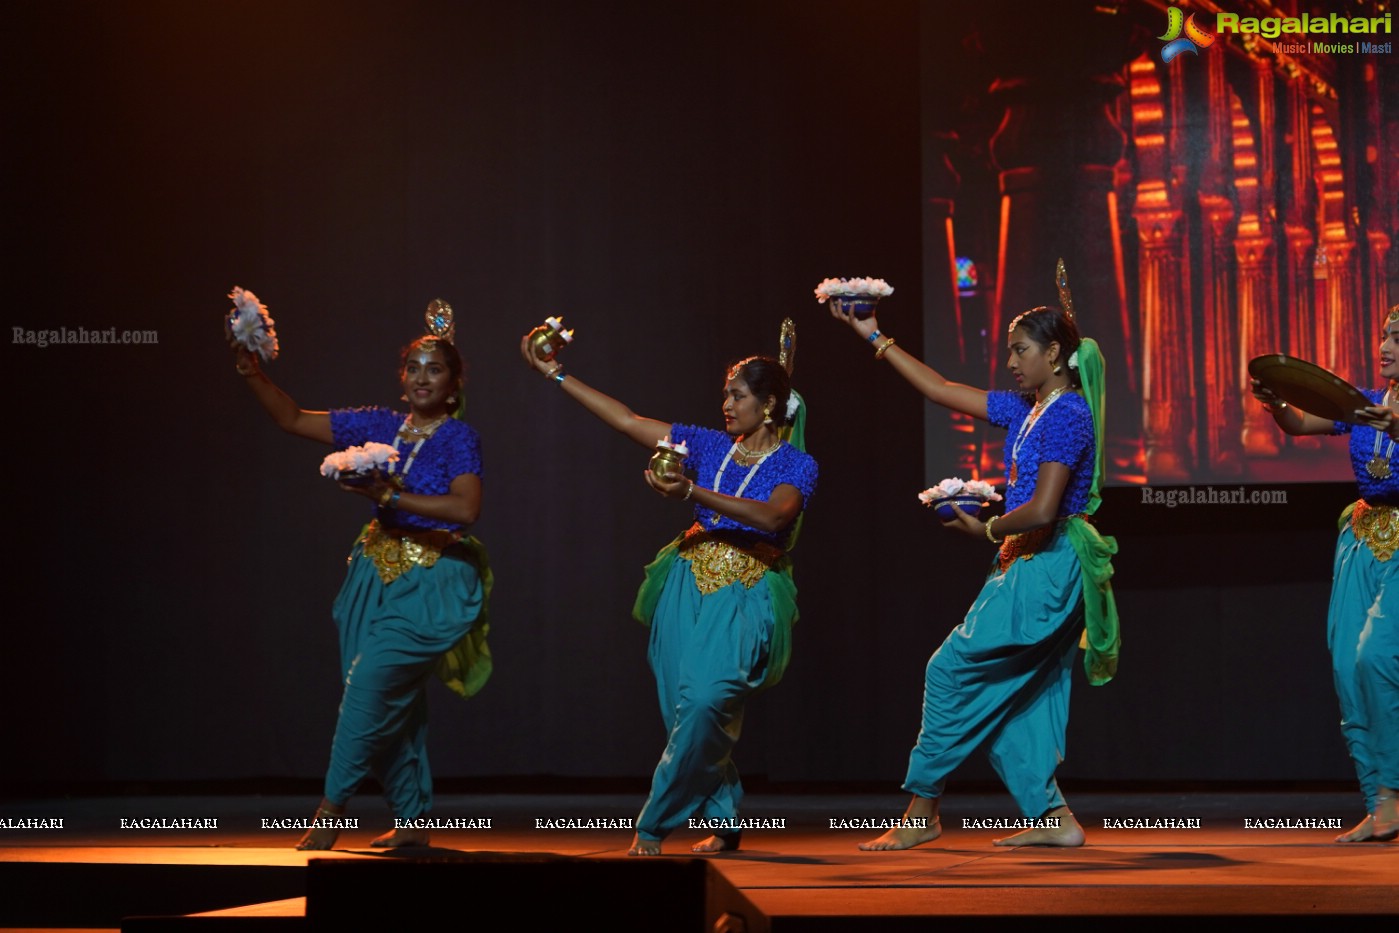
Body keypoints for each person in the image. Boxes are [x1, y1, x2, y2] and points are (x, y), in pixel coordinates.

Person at [828, 303, 1118, 849]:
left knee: (949, 671)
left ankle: (922, 811)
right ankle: (1053, 817)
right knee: (1016, 696)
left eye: (1020, 350)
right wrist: (874, 336)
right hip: (1025, 562)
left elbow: (1043, 508)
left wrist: (983, 530)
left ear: (1054, 353)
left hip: (1049, 565)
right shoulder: (1029, 410)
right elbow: (939, 389)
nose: (1010, 360)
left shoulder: (1068, 414)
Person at [521, 332, 816, 855]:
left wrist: (691, 491)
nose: (726, 404)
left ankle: (652, 825)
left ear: (768, 405)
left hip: (746, 591)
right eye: (725, 394)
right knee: (683, 711)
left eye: (738, 396)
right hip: (685, 582)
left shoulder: (796, 464)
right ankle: (723, 816)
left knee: (706, 701)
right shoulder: (706, 444)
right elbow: (629, 420)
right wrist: (555, 375)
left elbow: (775, 516)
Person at [234, 323, 491, 850]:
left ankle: (331, 811)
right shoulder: (378, 424)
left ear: (454, 383)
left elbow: (465, 509)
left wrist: (390, 497)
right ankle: (413, 821)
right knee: (391, 703)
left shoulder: (458, 436)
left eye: (435, 368)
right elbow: (290, 418)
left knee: (369, 690)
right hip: (372, 575)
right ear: (402, 378)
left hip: (431, 579)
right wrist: (251, 372)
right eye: (414, 367)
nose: (423, 377)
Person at [1250, 309, 1399, 843]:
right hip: (1362, 540)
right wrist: (1276, 405)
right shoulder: (1363, 401)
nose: (1384, 346)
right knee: (1345, 664)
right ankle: (1379, 803)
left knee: (1375, 655)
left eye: (1397, 339)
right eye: (1383, 334)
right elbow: (1298, 425)